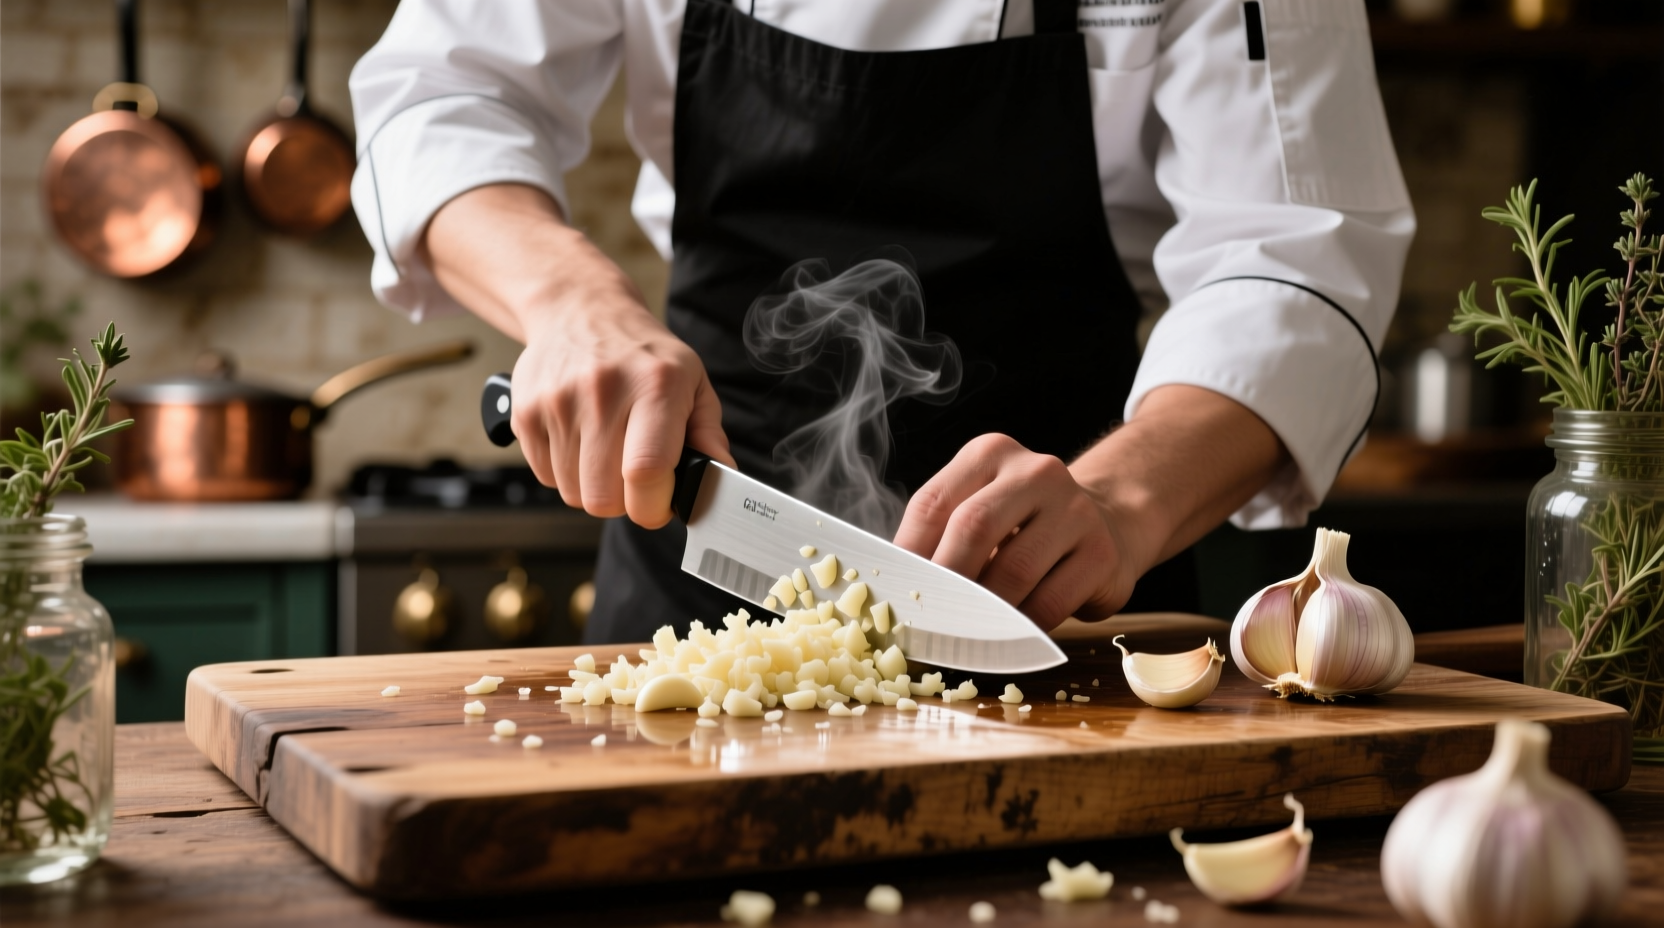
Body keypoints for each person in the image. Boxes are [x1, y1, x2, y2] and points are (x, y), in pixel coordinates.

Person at [348, 0, 1413, 644]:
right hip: (692, 557)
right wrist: (571, 304)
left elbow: (1299, 246)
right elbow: (439, 96)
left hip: (1064, 591)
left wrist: (1119, 500)